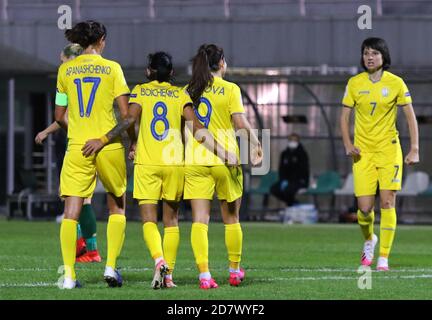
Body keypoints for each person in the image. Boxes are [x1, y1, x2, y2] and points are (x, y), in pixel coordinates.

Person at [83, 51, 237, 289]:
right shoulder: (180, 94)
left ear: (148, 71)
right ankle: (168, 277)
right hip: (174, 164)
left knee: (148, 220)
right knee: (172, 221)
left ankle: (159, 259)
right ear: (172, 73)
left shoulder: (141, 91)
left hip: (147, 163)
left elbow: (128, 120)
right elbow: (197, 129)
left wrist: (113, 140)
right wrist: (224, 153)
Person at [55, 20, 131, 289]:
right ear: (100, 41)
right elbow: (126, 116)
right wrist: (106, 139)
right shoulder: (112, 69)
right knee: (117, 206)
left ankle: (69, 277)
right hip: (107, 145)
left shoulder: (65, 70)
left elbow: (59, 115)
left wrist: (78, 131)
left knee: (70, 212)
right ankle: (110, 267)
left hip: (78, 147)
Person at [184, 44, 262, 289]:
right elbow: (239, 122)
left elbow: (187, 128)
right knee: (231, 218)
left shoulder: (188, 90)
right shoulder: (230, 89)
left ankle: (205, 276)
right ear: (221, 64)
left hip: (195, 159)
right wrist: (256, 142)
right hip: (225, 160)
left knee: (199, 220)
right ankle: (234, 271)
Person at [340, 37, 419, 271]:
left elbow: (410, 117)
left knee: (387, 201)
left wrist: (414, 148)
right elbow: (344, 118)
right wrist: (348, 144)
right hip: (363, 153)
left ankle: (383, 257)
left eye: (374, 53)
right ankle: (369, 239)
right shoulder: (354, 83)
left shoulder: (396, 83)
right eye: (366, 53)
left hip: (388, 150)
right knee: (364, 209)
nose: (369, 57)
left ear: (384, 57)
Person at [35, 43, 101, 263]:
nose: (60, 63)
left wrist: (47, 131)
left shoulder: (69, 79)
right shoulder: (94, 74)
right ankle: (90, 250)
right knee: (87, 198)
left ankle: (83, 249)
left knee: (73, 197)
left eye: (62, 60)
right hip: (98, 142)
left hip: (79, 144)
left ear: (71, 59)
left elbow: (62, 115)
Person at [270, 133, 309, 206]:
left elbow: (303, 170)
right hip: (286, 181)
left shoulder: (302, 154)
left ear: (298, 141)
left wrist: (295, 181)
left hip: (299, 181)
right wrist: (283, 180)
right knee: (274, 189)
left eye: (294, 140)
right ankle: (293, 203)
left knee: (288, 190)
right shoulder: (284, 154)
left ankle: (292, 204)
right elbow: (281, 169)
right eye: (291, 140)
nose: (292, 142)